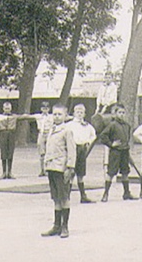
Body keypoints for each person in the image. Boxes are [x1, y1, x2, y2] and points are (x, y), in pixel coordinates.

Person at [41, 104, 76, 238]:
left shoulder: (67, 131)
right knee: (56, 198)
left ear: (65, 116)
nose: (56, 116)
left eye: (59, 114)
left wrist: (70, 167)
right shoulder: (51, 129)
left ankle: (64, 226)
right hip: (52, 167)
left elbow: (72, 150)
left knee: (64, 197)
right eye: (54, 114)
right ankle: (56, 225)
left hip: (62, 168)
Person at [98, 103, 136, 202]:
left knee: (125, 172)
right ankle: (105, 194)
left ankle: (126, 193)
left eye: (123, 112)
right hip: (115, 153)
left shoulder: (127, 126)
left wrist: (129, 155)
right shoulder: (112, 125)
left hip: (124, 152)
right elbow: (103, 137)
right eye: (120, 112)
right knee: (111, 173)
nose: (122, 114)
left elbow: (127, 140)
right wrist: (111, 144)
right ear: (115, 114)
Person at [66, 103, 98, 203]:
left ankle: (83, 196)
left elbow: (93, 135)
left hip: (82, 149)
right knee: (71, 172)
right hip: (72, 149)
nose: (79, 114)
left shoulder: (87, 126)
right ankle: (66, 196)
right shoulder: (69, 125)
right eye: (77, 112)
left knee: (80, 173)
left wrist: (88, 142)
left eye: (81, 112)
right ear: (74, 113)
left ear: (84, 114)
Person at [0, 101, 22, 180]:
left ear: (11, 108)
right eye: (6, 108)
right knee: (3, 152)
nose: (7, 110)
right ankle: (4, 172)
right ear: (3, 108)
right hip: (3, 133)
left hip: (11, 134)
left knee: (10, 152)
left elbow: (24, 116)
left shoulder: (14, 116)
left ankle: (10, 172)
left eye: (8, 108)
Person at [34, 102, 53, 177]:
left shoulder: (51, 116)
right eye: (43, 108)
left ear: (49, 109)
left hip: (49, 133)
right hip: (41, 134)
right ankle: (42, 170)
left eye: (46, 108)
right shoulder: (38, 116)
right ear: (41, 109)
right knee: (42, 153)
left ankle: (49, 169)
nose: (45, 110)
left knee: (49, 152)